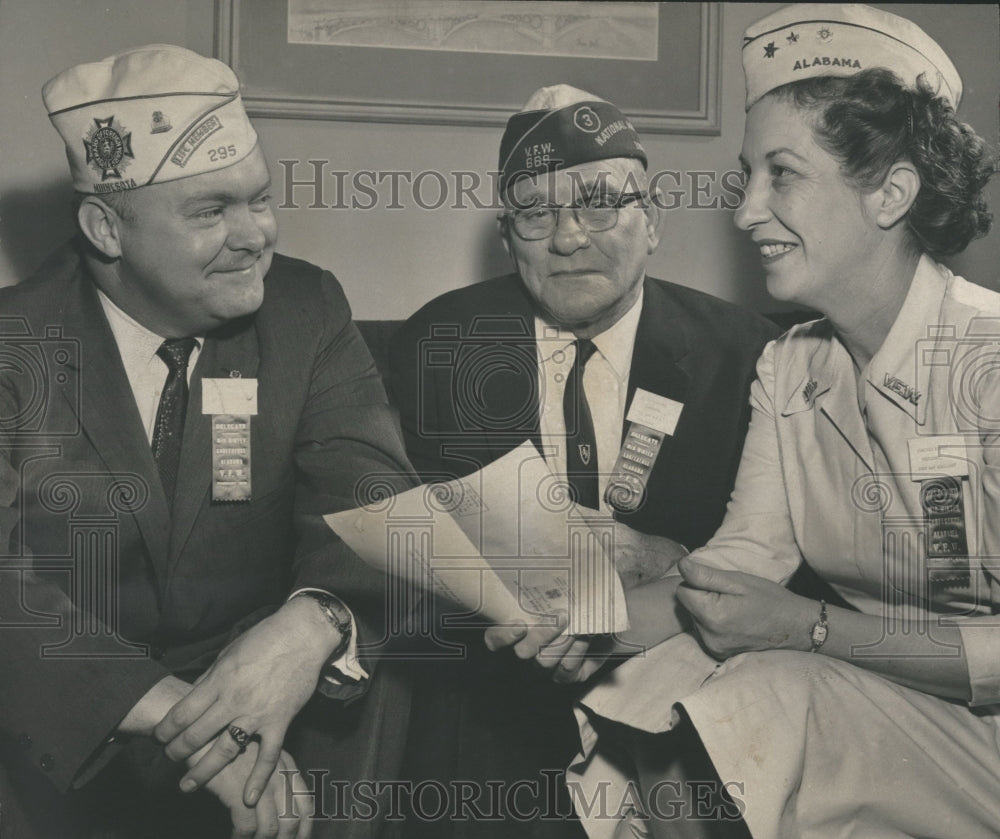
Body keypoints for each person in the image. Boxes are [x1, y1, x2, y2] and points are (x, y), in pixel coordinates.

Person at [567, 5, 1000, 838]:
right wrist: (575, 619)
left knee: (770, 687)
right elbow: (737, 566)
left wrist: (812, 627)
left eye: (782, 174)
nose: (744, 213)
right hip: (897, 706)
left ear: (891, 193)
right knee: (662, 673)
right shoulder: (792, 364)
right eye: (746, 177)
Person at [0, 45, 416, 838]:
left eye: (260, 200)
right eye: (210, 211)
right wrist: (190, 724)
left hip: (270, 702)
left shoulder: (305, 307)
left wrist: (312, 623)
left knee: (380, 661)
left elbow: (381, 502)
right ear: (105, 228)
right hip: (65, 720)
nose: (256, 234)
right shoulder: (13, 339)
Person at [388, 85, 779, 838]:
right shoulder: (443, 343)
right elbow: (432, 537)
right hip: (503, 690)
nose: (569, 238)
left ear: (653, 221)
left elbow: (788, 560)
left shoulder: (749, 353)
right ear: (508, 237)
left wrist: (671, 558)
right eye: (536, 214)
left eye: (601, 203)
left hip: (689, 683)